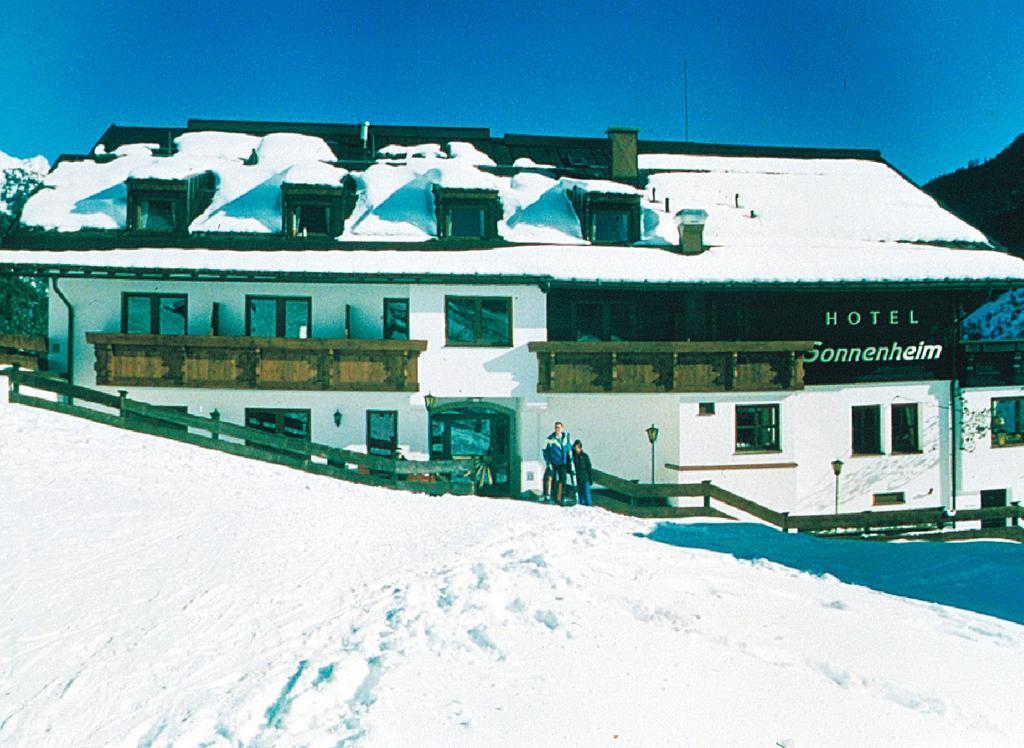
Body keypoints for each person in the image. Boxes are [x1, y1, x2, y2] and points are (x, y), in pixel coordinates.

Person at [542, 421, 572, 504]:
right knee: (549, 477)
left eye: (559, 427)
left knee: (563, 479)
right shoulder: (549, 439)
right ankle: (547, 496)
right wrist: (548, 461)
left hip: (562, 463)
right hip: (553, 462)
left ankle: (561, 497)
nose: (557, 429)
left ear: (562, 428)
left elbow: (569, 449)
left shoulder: (566, 438)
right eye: (556, 427)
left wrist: (570, 460)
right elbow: (545, 450)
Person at [571, 439, 593, 507]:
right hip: (578, 478)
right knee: (580, 495)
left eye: (577, 447)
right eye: (575, 447)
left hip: (585, 478)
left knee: (587, 494)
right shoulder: (573, 457)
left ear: (580, 448)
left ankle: (589, 507)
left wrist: (590, 478)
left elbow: (589, 468)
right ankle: (582, 508)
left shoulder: (584, 456)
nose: (575, 449)